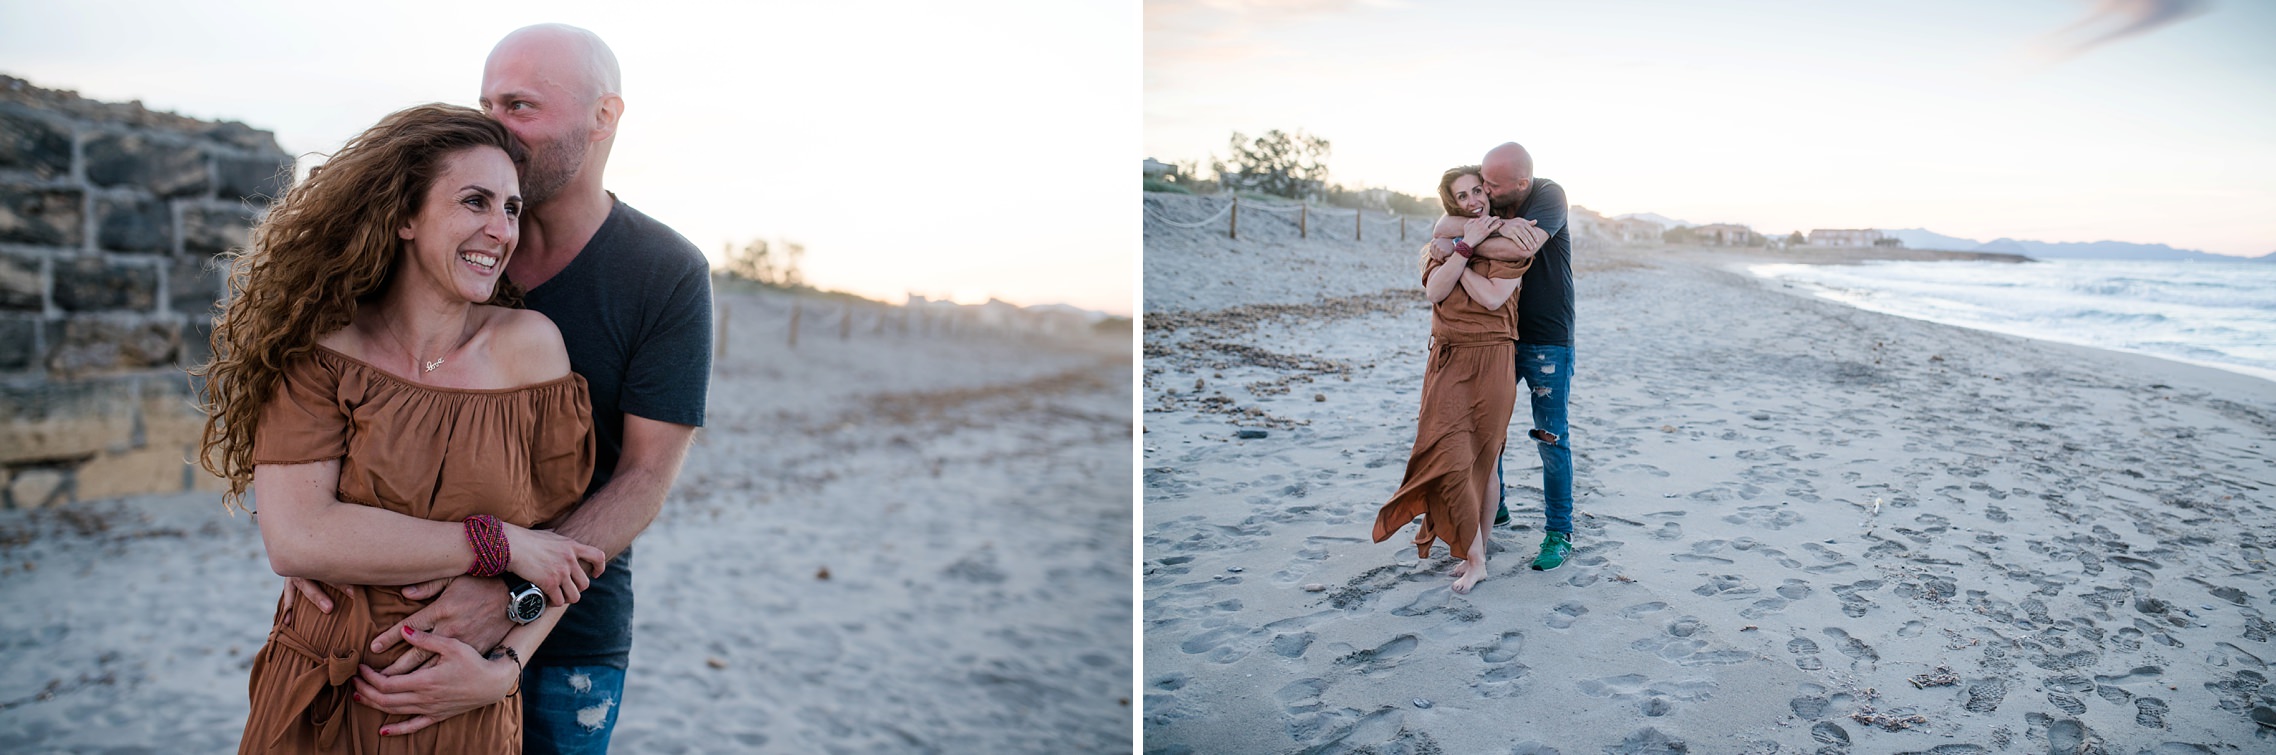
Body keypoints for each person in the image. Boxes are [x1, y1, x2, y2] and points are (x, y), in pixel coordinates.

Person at [294, 24, 714, 753]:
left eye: (520, 105)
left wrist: (512, 596)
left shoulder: (665, 272)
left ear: (603, 117)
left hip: (569, 634)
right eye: (486, 102)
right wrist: (314, 540)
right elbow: (327, 396)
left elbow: (645, 474)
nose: (495, 125)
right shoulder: (444, 240)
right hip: (398, 615)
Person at [196, 103, 610, 751]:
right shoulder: (322, 348)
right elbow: (300, 536)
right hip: (319, 698)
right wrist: (496, 542)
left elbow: (560, 555)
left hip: (460, 705)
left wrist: (504, 668)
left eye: (510, 208)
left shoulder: (531, 348)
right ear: (403, 215)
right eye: (475, 201)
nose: (500, 230)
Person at [1372, 166, 1535, 594]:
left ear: (1490, 191)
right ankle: (1474, 553)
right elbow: (1435, 292)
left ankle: (1477, 553)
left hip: (1494, 358)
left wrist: (1459, 253)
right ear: (1453, 204)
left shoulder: (1512, 246)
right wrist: (1462, 249)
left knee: (1485, 460)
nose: (1472, 200)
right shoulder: (1440, 246)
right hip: (1448, 361)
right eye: (1462, 196)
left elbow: (1492, 297)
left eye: (1477, 190)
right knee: (1450, 454)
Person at [1467, 142, 1575, 571]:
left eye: (1492, 185)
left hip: (1549, 339)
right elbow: (1444, 226)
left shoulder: (1549, 195)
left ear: (1522, 183)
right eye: (1482, 182)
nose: (1484, 192)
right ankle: (1498, 507)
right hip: (1498, 336)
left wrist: (1469, 241)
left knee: (1551, 438)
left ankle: (1559, 532)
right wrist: (1461, 236)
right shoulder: (1487, 200)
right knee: (1487, 430)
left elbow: (1522, 251)